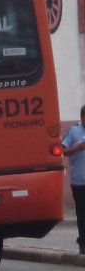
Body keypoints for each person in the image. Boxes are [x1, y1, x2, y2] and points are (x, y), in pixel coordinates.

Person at [62, 104, 85, 254]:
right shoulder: (74, 130)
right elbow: (62, 150)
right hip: (79, 181)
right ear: (82, 117)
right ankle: (83, 243)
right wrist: (77, 148)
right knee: (82, 214)